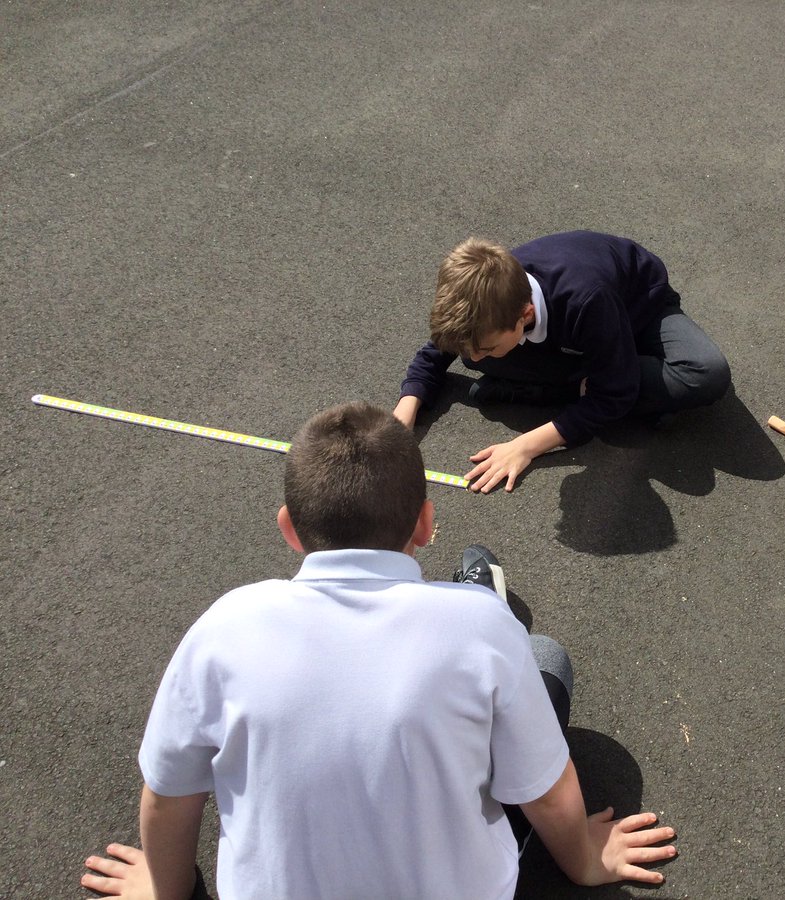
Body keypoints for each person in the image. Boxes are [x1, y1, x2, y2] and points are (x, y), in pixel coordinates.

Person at [81, 402, 676, 899]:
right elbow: (546, 788)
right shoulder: (483, 630)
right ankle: (467, 589)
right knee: (542, 657)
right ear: (424, 523)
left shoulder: (224, 627)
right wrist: (584, 860)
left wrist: (166, 886)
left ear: (289, 528)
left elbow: (167, 792)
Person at [394, 231, 731, 493]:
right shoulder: (489, 302)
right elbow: (436, 353)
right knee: (476, 359)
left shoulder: (585, 299)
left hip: (640, 310)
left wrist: (526, 446)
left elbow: (616, 394)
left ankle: (576, 383)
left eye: (486, 345)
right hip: (576, 342)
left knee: (706, 373)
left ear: (524, 315)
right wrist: (400, 423)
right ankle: (586, 383)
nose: (475, 355)